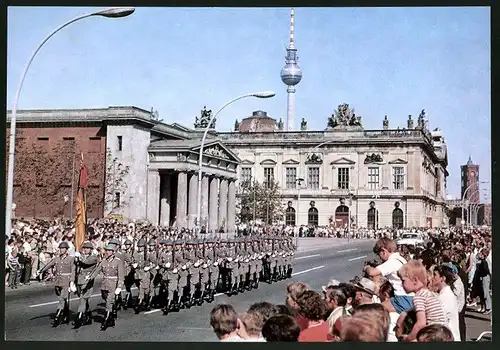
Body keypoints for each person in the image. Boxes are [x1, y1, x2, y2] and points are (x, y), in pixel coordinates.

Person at [396, 260, 447, 342]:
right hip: (443, 332)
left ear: (415, 280)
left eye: (403, 281)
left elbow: (421, 323)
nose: (401, 284)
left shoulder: (419, 296)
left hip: (433, 333)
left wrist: (409, 338)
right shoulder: (428, 293)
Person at [364, 237, 413, 312]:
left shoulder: (392, 262)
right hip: (408, 297)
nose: (380, 258)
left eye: (379, 254)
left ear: (383, 251)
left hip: (402, 298)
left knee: (375, 311)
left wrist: (367, 268)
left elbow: (372, 272)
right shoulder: (400, 259)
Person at [86, 244, 125, 331]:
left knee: (109, 303)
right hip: (104, 285)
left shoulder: (118, 261)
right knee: (105, 298)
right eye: (106, 250)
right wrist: (90, 277)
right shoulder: (104, 261)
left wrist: (119, 287)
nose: (107, 252)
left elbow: (121, 276)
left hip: (113, 285)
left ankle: (105, 321)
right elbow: (97, 270)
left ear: (113, 252)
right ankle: (111, 319)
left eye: (109, 250)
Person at [37, 241, 75, 327]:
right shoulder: (57, 259)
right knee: (63, 299)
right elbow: (49, 264)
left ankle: (57, 318)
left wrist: (72, 282)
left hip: (66, 282)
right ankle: (66, 316)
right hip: (58, 281)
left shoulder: (71, 259)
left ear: (67, 249)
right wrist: (40, 271)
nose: (61, 250)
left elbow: (73, 271)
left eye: (63, 248)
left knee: (62, 299)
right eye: (60, 248)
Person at [72, 241, 99, 329]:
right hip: (79, 280)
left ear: (91, 250)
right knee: (83, 299)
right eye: (85, 248)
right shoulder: (82, 256)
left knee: (82, 300)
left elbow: (85, 263)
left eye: (88, 248)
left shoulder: (94, 258)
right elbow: (76, 266)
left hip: (87, 281)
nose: (86, 250)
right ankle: (88, 315)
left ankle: (78, 318)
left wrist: (77, 257)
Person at [432, 265, 460, 341]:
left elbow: (437, 320)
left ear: (443, 278)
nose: (432, 277)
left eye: (435, 275)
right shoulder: (444, 294)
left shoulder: (445, 297)